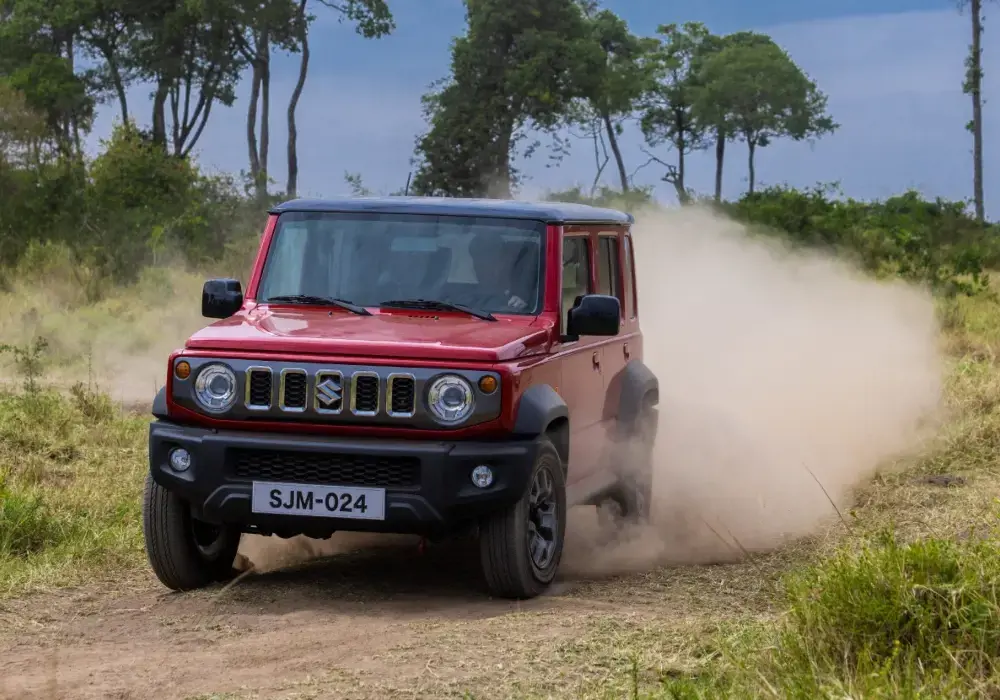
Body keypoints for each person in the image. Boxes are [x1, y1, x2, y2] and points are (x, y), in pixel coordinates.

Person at [466, 232, 534, 312]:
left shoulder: (526, 295)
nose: (481, 268)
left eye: (490, 260)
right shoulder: (466, 298)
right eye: (477, 261)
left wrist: (523, 305)